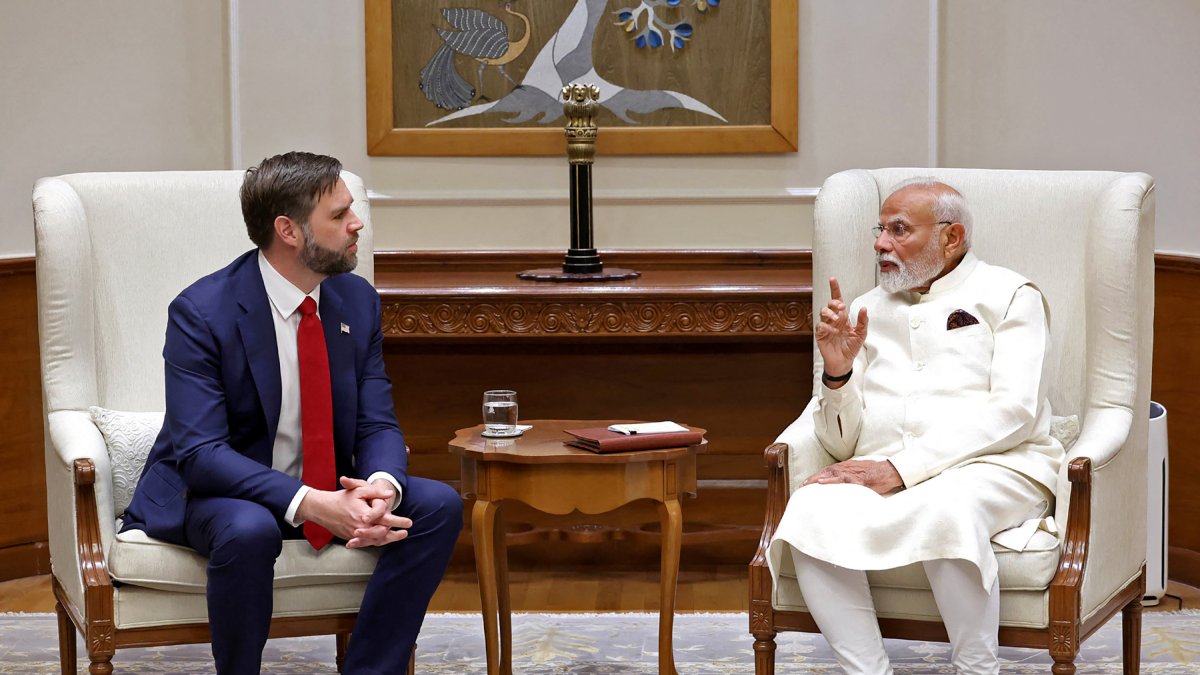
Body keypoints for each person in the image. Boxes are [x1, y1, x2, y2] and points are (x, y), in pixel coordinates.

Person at [122, 151, 463, 674]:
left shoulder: (356, 300)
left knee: (437, 505)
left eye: (352, 210)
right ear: (289, 230)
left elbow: (376, 420)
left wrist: (380, 488)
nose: (357, 224)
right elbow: (201, 454)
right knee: (250, 528)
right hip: (218, 493)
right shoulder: (203, 312)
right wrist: (315, 505)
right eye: (338, 215)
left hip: (328, 483)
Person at [767, 178, 1064, 675]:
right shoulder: (864, 310)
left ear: (951, 237)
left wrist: (902, 469)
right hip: (883, 465)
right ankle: (866, 670)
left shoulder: (1010, 294)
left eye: (899, 230)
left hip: (998, 465)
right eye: (880, 229)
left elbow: (1015, 411)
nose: (881, 243)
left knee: (947, 505)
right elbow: (840, 442)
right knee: (810, 507)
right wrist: (837, 372)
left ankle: (975, 668)